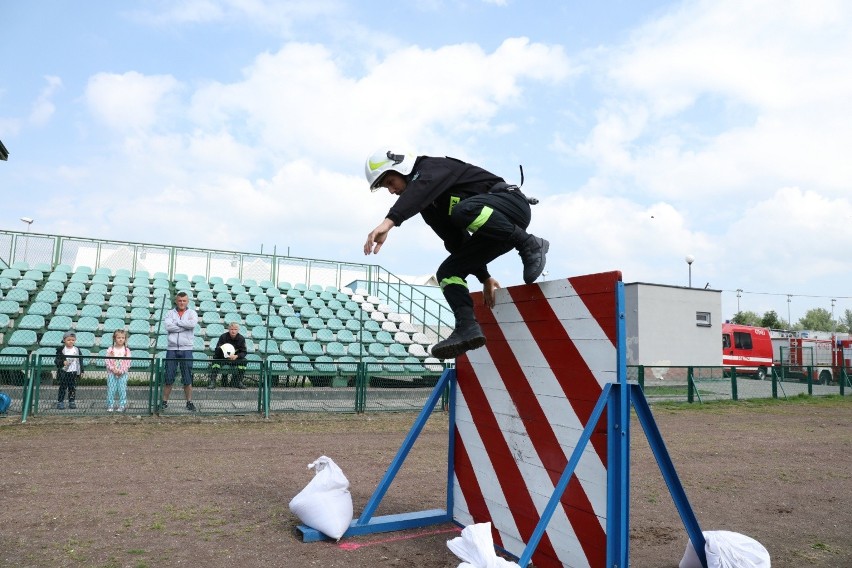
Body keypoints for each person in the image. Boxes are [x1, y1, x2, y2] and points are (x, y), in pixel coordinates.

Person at [364, 149, 549, 360]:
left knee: (463, 210)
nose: (391, 190)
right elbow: (457, 242)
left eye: (390, 182)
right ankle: (467, 327)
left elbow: (421, 189)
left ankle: (530, 243)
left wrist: (389, 222)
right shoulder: (430, 208)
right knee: (448, 272)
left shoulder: (431, 167)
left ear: (401, 169)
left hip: (511, 204)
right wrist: (484, 276)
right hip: (497, 231)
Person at [162, 291, 198, 412]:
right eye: (179, 301)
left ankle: (189, 402)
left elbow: (192, 324)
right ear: (176, 301)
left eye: (184, 301)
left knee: (187, 377)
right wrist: (184, 326)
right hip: (172, 349)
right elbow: (168, 327)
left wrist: (176, 323)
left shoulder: (192, 313)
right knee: (168, 377)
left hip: (186, 348)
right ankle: (164, 402)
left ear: (187, 301)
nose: (182, 303)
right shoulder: (170, 313)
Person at [208, 322, 248, 389]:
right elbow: (217, 350)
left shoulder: (241, 338)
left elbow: (244, 352)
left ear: (238, 330)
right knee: (215, 362)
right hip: (222, 358)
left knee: (244, 361)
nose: (233, 331)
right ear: (228, 329)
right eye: (231, 329)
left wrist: (236, 356)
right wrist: (225, 354)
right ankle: (213, 382)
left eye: (235, 329)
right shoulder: (223, 337)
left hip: (234, 359)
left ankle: (239, 382)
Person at [55, 330, 84, 410]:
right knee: (62, 387)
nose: (71, 341)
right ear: (64, 340)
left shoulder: (77, 350)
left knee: (72, 387)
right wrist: (62, 362)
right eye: (68, 340)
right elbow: (56, 361)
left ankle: (71, 401)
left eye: (73, 340)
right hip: (64, 372)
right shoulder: (61, 350)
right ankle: (60, 401)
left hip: (73, 372)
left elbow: (80, 360)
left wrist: (81, 370)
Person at [105, 329, 131, 412]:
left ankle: (122, 405)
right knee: (111, 390)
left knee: (122, 389)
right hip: (112, 373)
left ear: (125, 339)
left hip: (123, 374)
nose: (120, 339)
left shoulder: (127, 350)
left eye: (123, 338)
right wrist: (113, 369)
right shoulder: (110, 349)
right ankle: (110, 405)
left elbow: (128, 362)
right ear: (114, 338)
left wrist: (122, 371)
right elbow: (107, 361)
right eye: (118, 337)